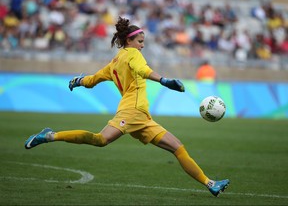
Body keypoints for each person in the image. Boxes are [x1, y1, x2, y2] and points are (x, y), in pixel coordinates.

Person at [24, 16, 229, 197]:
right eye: (140, 41)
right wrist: (164, 80)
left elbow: (93, 79)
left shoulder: (115, 62)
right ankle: (50, 135)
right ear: (128, 40)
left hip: (142, 118)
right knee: (101, 139)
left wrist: (78, 81)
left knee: (178, 147)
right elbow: (143, 70)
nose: (142, 45)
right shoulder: (132, 54)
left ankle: (209, 183)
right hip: (132, 112)